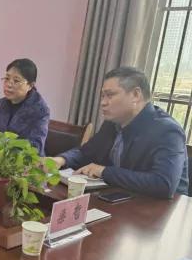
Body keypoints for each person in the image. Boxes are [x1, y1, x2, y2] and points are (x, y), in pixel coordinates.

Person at [50, 66, 188, 198]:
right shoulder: (112, 123)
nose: (103, 102)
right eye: (102, 96)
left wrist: (104, 171)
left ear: (135, 95)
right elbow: (86, 152)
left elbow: (163, 184)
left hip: (162, 208)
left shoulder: (167, 131)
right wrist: (61, 160)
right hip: (121, 197)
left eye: (110, 95)